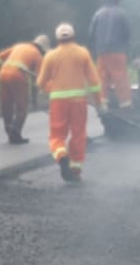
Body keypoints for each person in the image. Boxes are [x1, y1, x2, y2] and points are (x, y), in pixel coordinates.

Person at [36, 23, 104, 183]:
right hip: (78, 101)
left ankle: (61, 156)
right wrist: (98, 101)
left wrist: (48, 87)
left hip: (58, 102)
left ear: (57, 39)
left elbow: (40, 82)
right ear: (74, 36)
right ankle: (75, 170)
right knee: (78, 135)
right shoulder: (83, 53)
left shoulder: (50, 56)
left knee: (57, 135)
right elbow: (94, 81)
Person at [0, 35, 51, 144]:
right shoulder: (37, 55)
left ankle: (8, 128)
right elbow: (37, 80)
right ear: (42, 48)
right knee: (22, 106)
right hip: (18, 75)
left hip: (3, 73)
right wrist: (34, 100)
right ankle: (15, 133)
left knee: (6, 104)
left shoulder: (19, 46)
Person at [89, 0, 132, 109]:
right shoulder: (121, 14)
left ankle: (103, 103)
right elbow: (127, 33)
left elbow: (91, 34)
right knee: (120, 78)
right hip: (118, 52)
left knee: (102, 77)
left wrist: (95, 49)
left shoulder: (97, 14)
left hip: (102, 52)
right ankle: (125, 104)